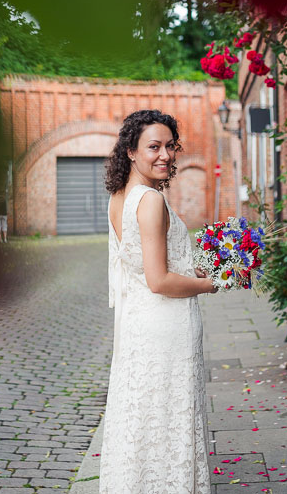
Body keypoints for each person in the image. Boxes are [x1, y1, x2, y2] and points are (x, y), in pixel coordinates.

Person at [100, 109, 215, 494]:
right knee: (169, 419)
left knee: (145, 421)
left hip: (139, 328)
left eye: (170, 146)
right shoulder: (150, 201)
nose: (165, 154)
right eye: (154, 146)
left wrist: (195, 265)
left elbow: (139, 266)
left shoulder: (120, 196)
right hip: (166, 328)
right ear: (131, 151)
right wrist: (209, 285)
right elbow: (159, 279)